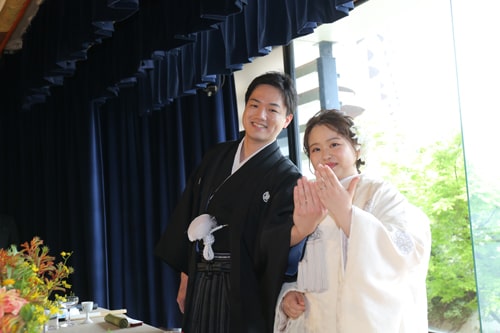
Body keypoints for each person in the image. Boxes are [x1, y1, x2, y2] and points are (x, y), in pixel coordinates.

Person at [154, 72, 320, 333]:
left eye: (272, 110)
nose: (260, 115)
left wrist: (301, 230)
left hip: (244, 292)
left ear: (287, 120)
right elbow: (190, 212)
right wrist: (186, 275)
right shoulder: (217, 155)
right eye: (254, 105)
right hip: (200, 278)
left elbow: (272, 242)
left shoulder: (287, 178)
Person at [274, 109, 432, 332]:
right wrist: (289, 295)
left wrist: (348, 215)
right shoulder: (307, 197)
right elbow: (294, 264)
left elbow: (407, 250)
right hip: (313, 320)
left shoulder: (379, 192)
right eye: (316, 149)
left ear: (357, 149)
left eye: (334, 144)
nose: (325, 154)